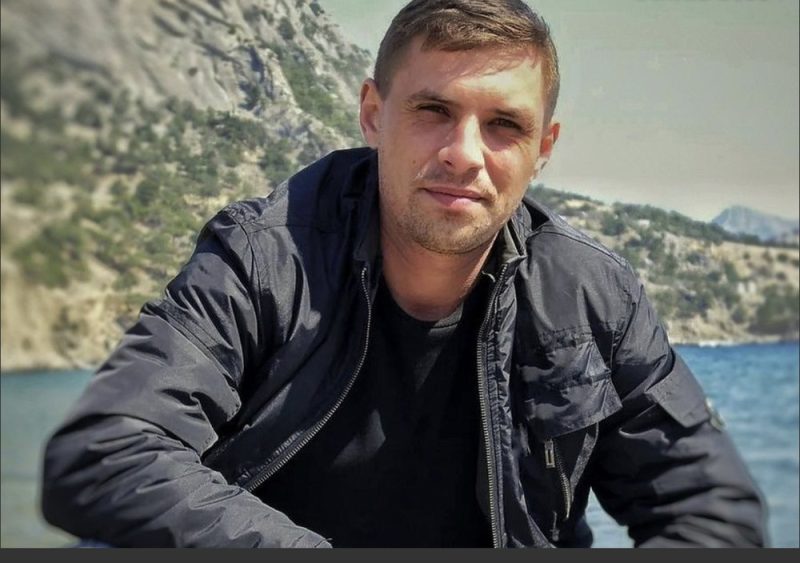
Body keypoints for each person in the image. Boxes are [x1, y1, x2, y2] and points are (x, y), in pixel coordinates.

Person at [41, 0, 767, 548]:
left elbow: (712, 512)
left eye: (504, 125)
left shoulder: (592, 297)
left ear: (543, 148)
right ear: (372, 114)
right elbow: (103, 451)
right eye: (433, 110)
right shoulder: (264, 258)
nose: (464, 153)